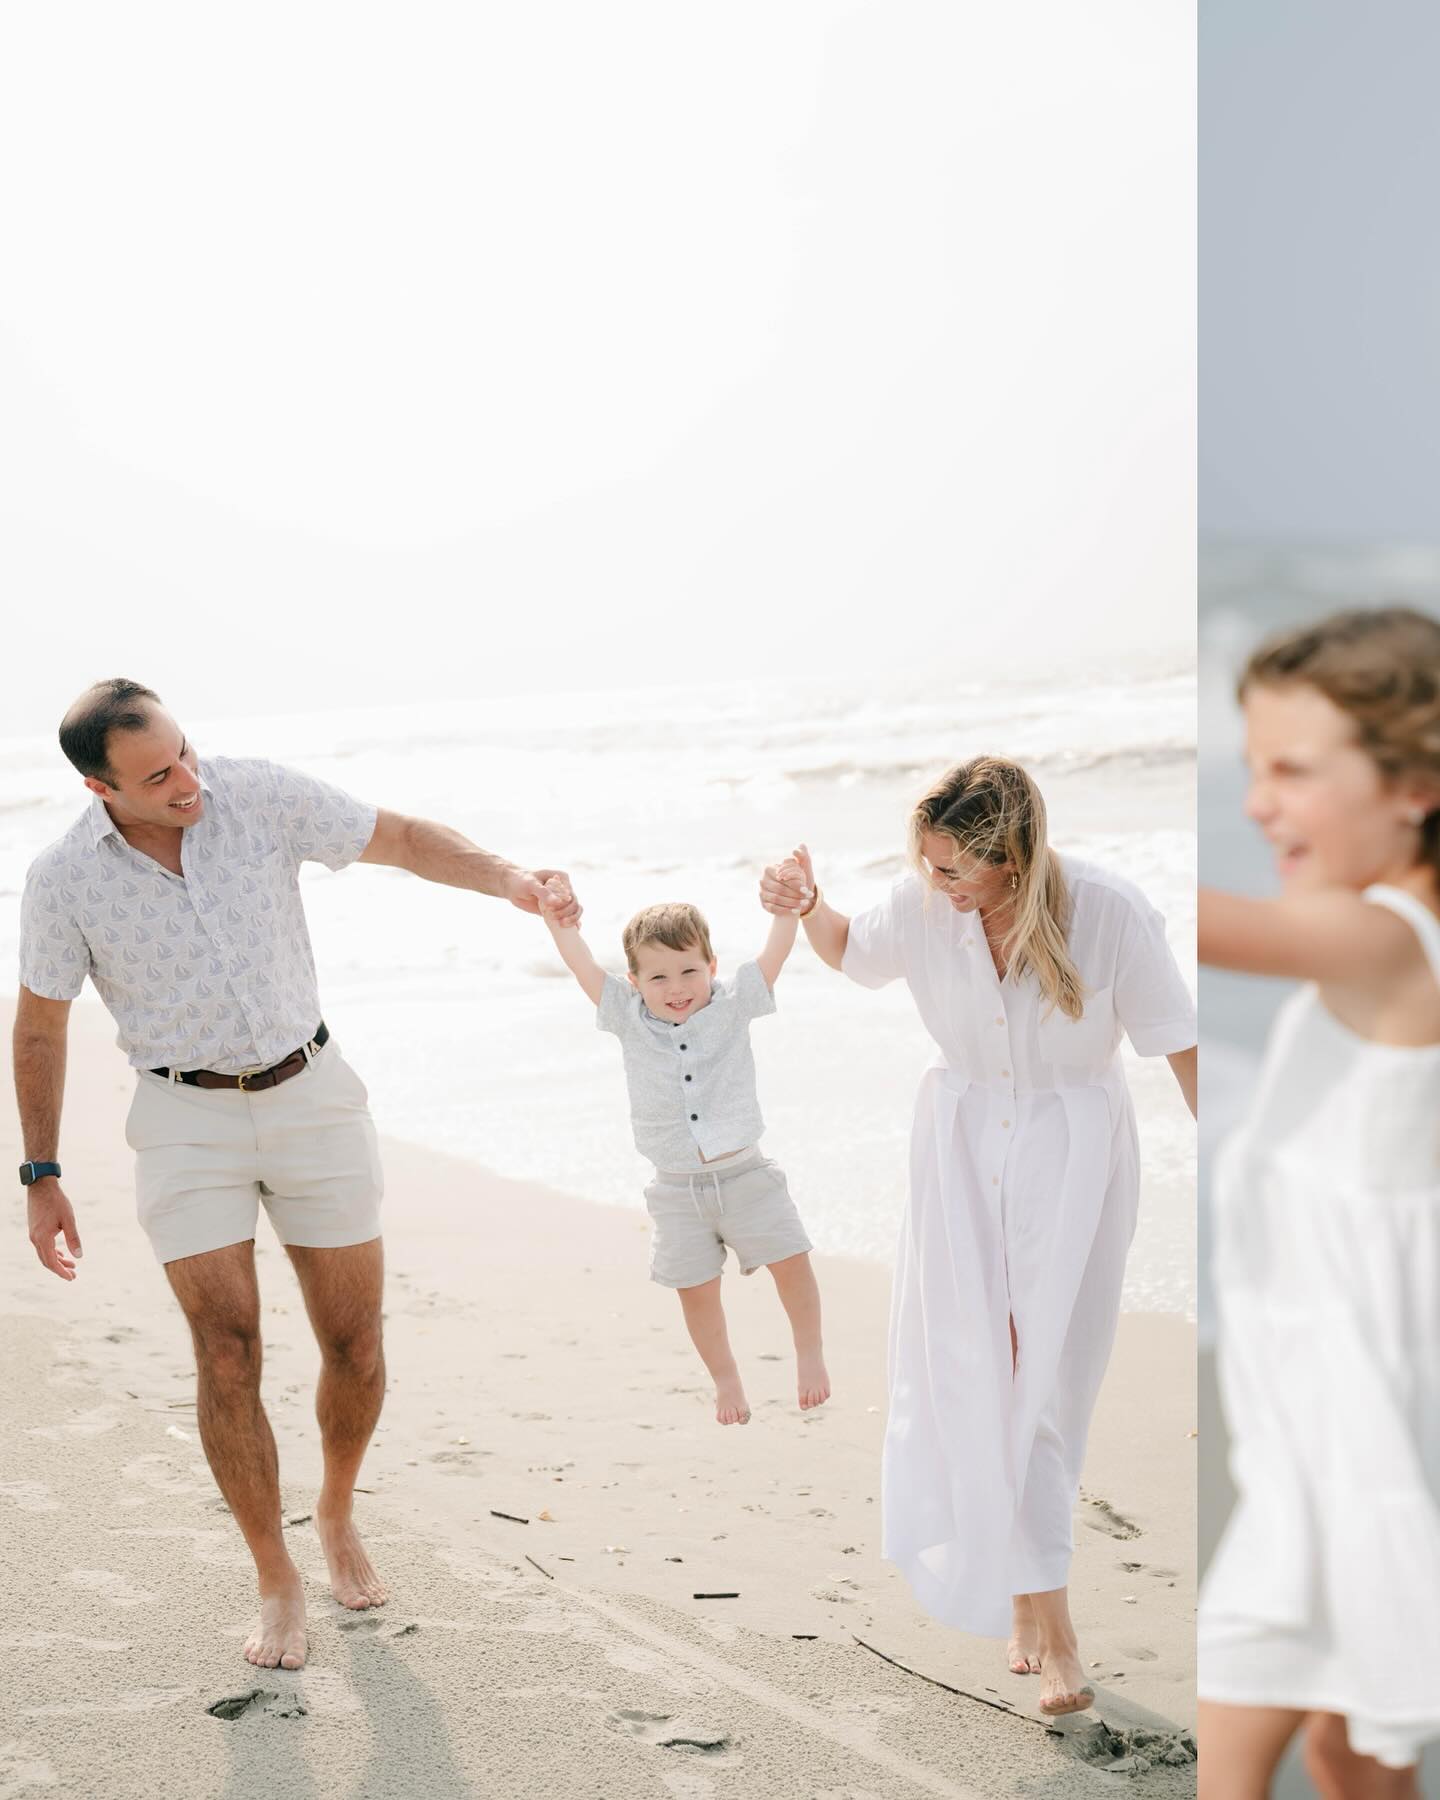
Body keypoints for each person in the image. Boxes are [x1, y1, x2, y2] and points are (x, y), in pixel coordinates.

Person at [15, 678, 579, 1673]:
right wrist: (41, 1173)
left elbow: (399, 838)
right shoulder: (64, 879)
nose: (189, 780)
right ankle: (273, 1572)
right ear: (102, 789)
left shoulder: (259, 797)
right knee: (226, 1350)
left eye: (187, 752)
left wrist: (511, 879)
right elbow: (42, 1022)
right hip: (185, 1117)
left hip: (311, 1094)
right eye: (158, 774)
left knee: (353, 1341)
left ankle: (337, 1508)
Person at [761, 756, 1196, 1716]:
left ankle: (1032, 1599)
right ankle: (1054, 1632)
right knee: (978, 1370)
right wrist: (805, 902)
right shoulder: (928, 906)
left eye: (959, 870)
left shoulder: (1111, 912)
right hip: (957, 1149)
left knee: (1044, 1381)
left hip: (1073, 1155)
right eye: (930, 866)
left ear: (1017, 859)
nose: (941, 885)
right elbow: (849, 951)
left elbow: (1181, 1046)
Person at [1196, 608, 1440, 1800]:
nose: (1256, 804)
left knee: (1236, 1726)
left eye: (1292, 770)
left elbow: (1219, 927)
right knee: (1348, 1738)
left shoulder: (1387, 937)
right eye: (1250, 770)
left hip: (1357, 1408)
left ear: (1416, 784)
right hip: (1350, 1386)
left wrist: (1040, 851)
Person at [541, 881, 829, 1425]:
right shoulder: (626, 1014)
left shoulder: (733, 1003)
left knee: (792, 1265)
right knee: (696, 1294)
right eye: (658, 976)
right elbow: (580, 964)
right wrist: (558, 920)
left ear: (712, 966)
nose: (676, 988)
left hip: (745, 1175)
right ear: (634, 981)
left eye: (689, 971)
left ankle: (809, 1354)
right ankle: (726, 1380)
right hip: (675, 1189)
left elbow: (776, 953)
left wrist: (788, 906)